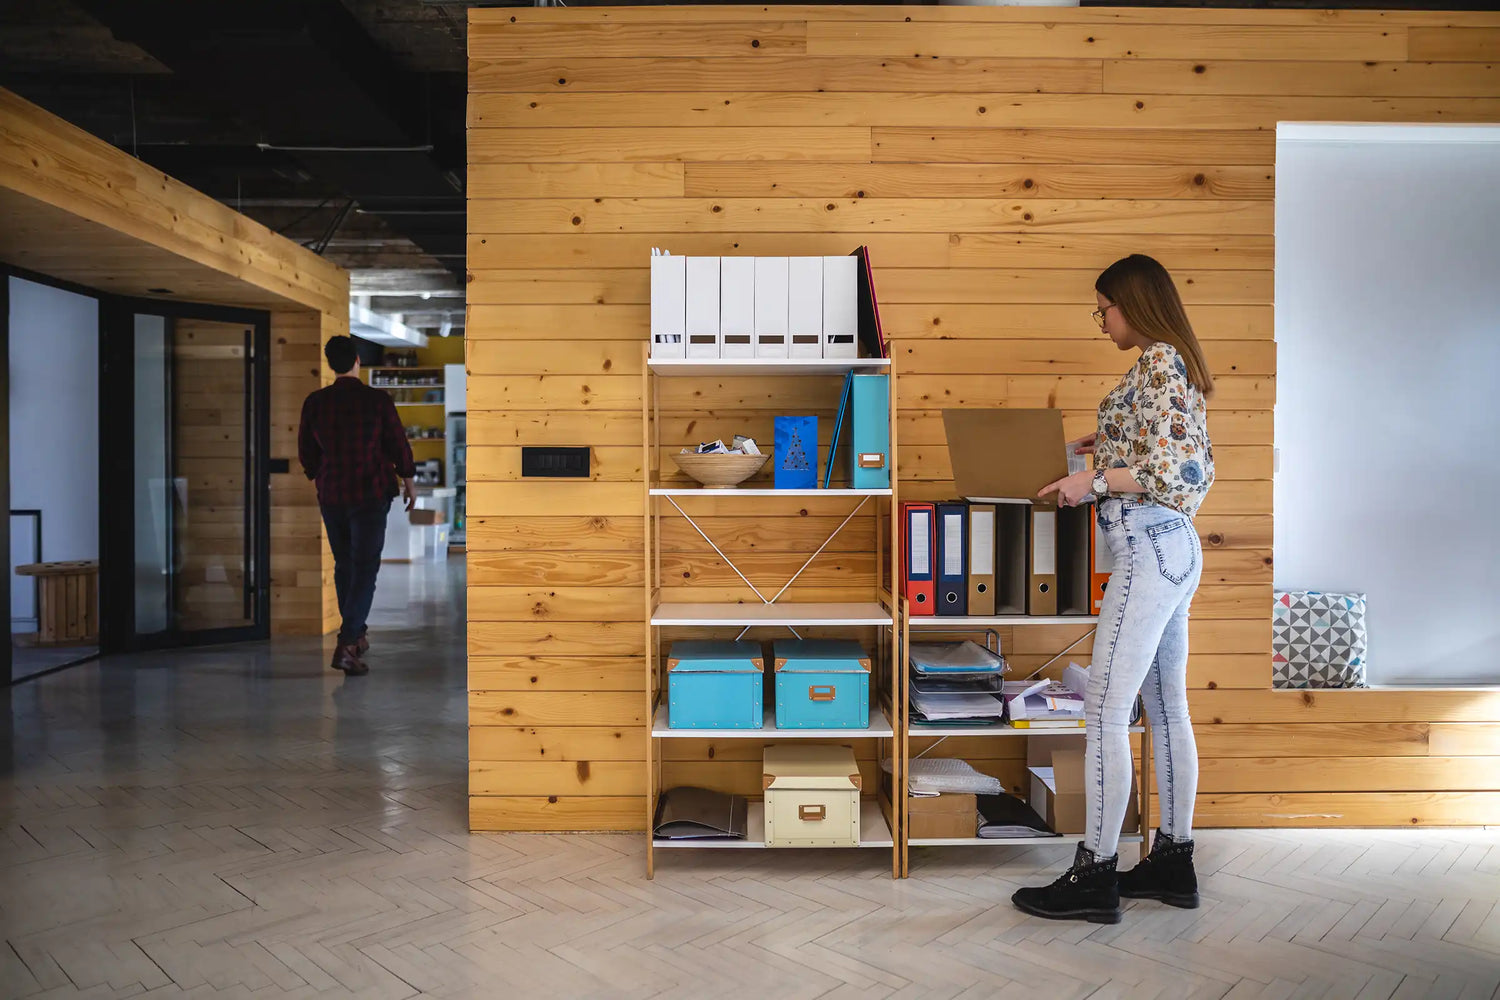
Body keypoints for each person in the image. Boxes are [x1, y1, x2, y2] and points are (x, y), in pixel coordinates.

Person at [1013, 254, 1216, 924]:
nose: (1100, 320)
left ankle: (1094, 874)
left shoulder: (1160, 359)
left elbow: (1177, 468)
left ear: (1133, 302)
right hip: (1173, 546)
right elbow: (1156, 449)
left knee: (1103, 710)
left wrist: (1091, 483)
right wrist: (1099, 448)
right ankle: (1172, 862)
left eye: (1104, 308)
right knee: (1165, 710)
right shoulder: (1166, 363)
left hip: (1149, 544)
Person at [298, 336, 417, 676]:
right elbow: (397, 442)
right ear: (357, 361)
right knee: (365, 568)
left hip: (332, 494)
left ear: (331, 364)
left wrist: (319, 476)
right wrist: (408, 479)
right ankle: (348, 643)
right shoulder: (376, 400)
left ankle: (358, 634)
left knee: (345, 565)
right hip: (370, 493)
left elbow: (306, 449)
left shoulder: (315, 402)